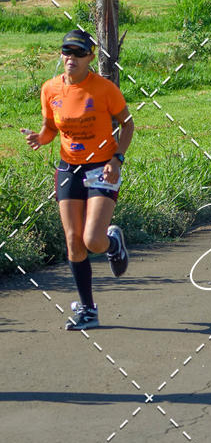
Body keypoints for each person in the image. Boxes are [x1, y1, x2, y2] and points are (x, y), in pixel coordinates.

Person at [21, 30, 134, 330]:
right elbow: (50, 128)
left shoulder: (104, 89)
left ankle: (112, 243)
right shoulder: (50, 89)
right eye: (66, 51)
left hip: (102, 166)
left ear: (90, 57)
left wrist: (117, 159)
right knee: (73, 241)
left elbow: (127, 124)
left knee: (92, 240)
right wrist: (40, 138)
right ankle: (88, 310)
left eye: (78, 52)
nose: (71, 57)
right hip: (69, 168)